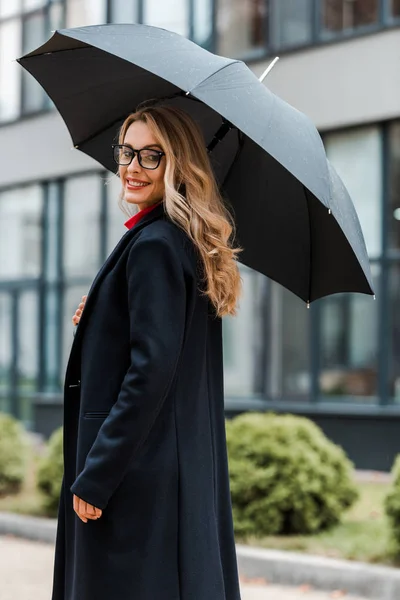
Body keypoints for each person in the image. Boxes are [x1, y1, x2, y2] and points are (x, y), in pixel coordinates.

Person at [52, 105, 243, 600]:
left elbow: (150, 372)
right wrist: (100, 315)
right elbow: (160, 350)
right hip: (165, 471)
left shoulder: (155, 244)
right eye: (127, 151)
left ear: (177, 165)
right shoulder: (179, 242)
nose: (133, 167)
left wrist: (97, 475)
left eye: (152, 156)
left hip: (135, 478)